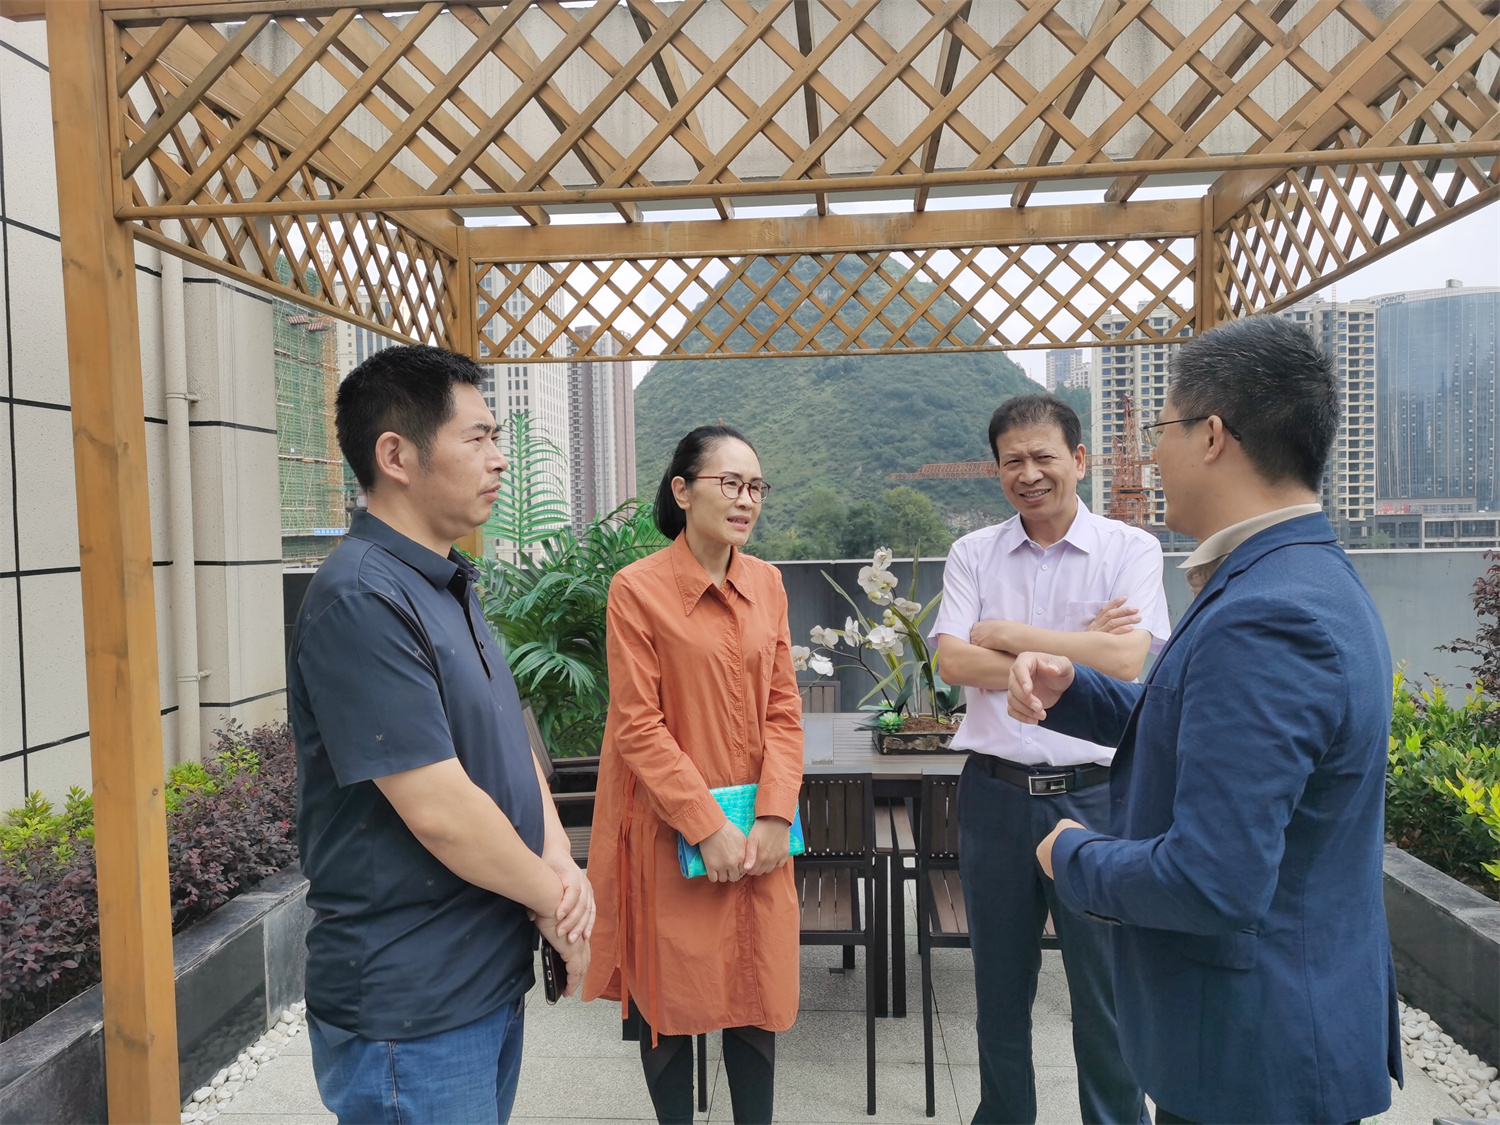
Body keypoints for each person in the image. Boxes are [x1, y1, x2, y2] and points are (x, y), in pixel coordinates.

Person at [1018, 316, 1402, 1124]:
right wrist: (1079, 688)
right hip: (1276, 1032)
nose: (1154, 455)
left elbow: (1213, 880)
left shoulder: (1267, 615)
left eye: (1160, 430)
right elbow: (1215, 725)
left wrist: (1074, 853)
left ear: (1213, 435)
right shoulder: (1300, 574)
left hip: (1255, 1059)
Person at [287, 345, 593, 1125]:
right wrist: (557, 901)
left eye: (497, 438)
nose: (499, 458)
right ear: (396, 455)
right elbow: (440, 809)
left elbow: (510, 738)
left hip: (479, 983)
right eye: (478, 437)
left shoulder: (447, 580)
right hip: (412, 1008)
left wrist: (561, 859)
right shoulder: (362, 597)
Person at [929, 393, 1170, 1125]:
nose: (1028, 473)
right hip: (995, 795)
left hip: (1098, 799)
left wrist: (1007, 633)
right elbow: (952, 661)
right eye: (1013, 461)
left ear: (1079, 459)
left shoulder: (1131, 549)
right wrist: (1076, 644)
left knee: (1105, 992)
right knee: (999, 990)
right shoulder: (974, 552)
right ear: (997, 469)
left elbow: (1127, 661)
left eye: (1043, 457)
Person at [583, 425, 803, 1125]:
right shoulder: (637, 590)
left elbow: (784, 709)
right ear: (682, 491)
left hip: (759, 833)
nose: (746, 500)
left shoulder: (768, 584)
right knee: (670, 998)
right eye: (730, 483)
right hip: (670, 832)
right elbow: (637, 725)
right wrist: (706, 825)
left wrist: (775, 814)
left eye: (756, 487)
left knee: (756, 988)